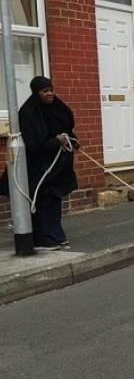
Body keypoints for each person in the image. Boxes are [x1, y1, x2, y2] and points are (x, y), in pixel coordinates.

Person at [0, 76, 78, 251]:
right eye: (45, 91)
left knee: (54, 198)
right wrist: (55, 141)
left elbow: (67, 127)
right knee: (43, 199)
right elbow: (34, 143)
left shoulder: (58, 108)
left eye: (51, 90)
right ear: (36, 93)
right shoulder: (29, 113)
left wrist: (72, 140)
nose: (50, 94)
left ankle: (55, 235)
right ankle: (43, 237)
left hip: (57, 166)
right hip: (38, 167)